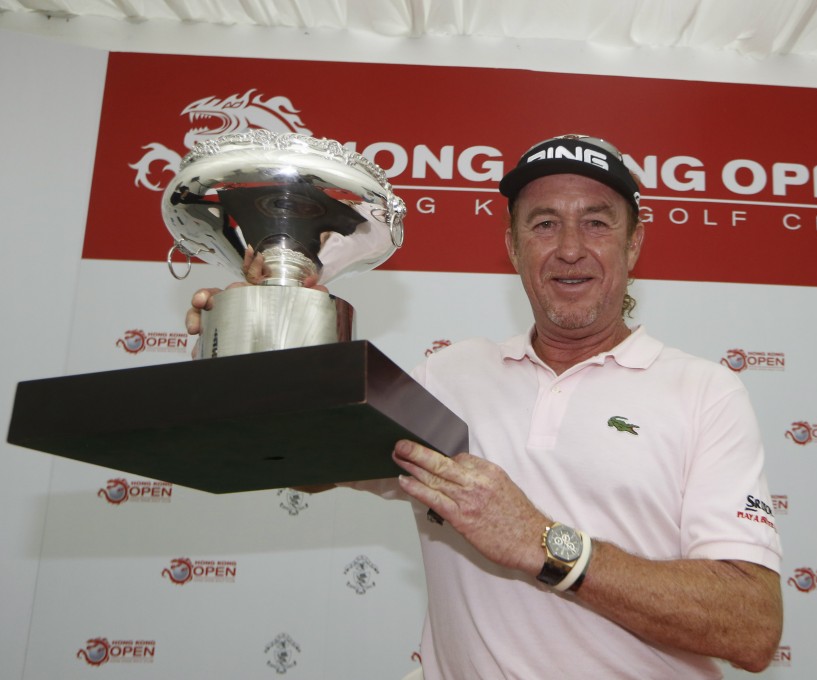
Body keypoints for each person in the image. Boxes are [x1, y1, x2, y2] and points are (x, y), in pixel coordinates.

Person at [187, 134, 783, 679]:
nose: (570, 249)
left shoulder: (704, 393)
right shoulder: (451, 376)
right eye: (544, 224)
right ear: (512, 245)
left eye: (596, 223)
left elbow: (752, 627)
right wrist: (257, 339)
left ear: (634, 243)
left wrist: (541, 543)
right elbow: (307, 459)